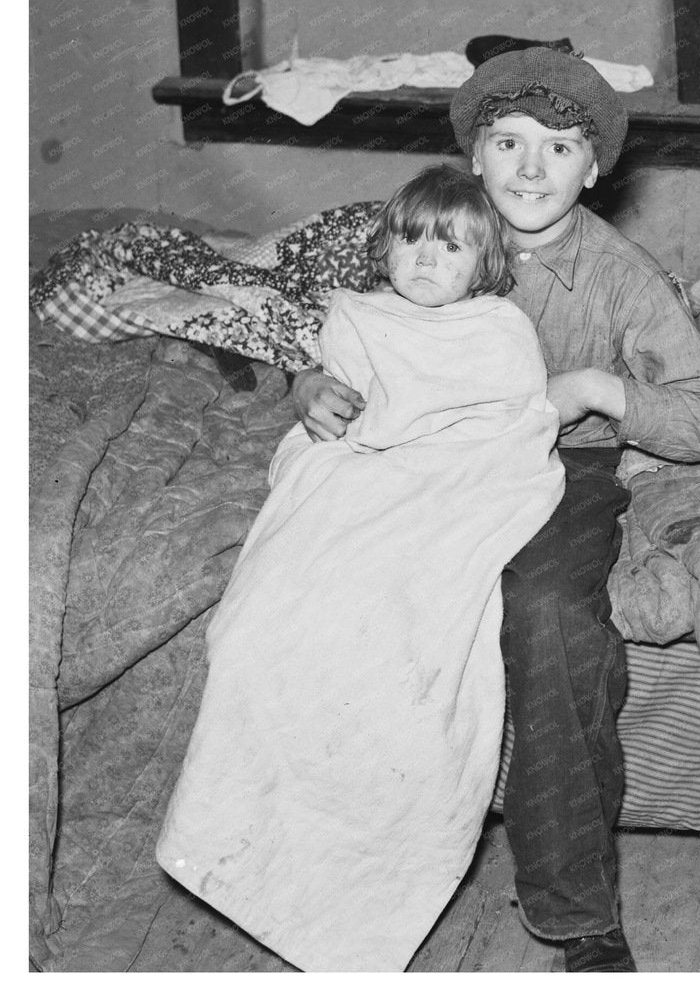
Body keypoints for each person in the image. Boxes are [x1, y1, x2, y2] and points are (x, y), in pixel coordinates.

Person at [290, 48, 700, 972]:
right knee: (329, 593)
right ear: (476, 155)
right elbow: (329, 330)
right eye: (509, 143)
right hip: (415, 464)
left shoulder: (623, 277)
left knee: (549, 619)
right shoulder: (420, 232)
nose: (532, 170)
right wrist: (309, 385)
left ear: (596, 167)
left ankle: (576, 908)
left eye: (561, 147)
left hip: (557, 471)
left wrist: (604, 390)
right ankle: (332, 865)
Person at [157, 164, 567, 971]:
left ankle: (356, 881)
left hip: (449, 484)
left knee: (403, 631)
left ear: (484, 264)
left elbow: (516, 427)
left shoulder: (498, 329)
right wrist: (322, 399)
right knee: (254, 626)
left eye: (450, 247)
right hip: (359, 477)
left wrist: (431, 458)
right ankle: (257, 849)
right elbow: (337, 409)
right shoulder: (355, 314)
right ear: (385, 248)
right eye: (411, 239)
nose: (425, 259)